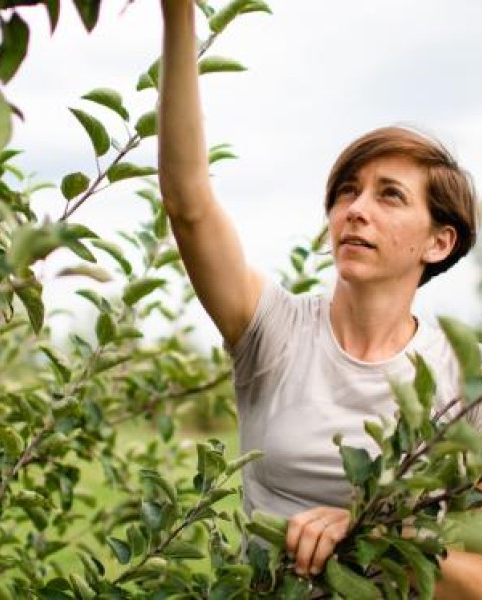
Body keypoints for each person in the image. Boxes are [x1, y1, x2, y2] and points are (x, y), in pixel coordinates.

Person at [158, 1, 482, 598]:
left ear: (439, 242)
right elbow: (188, 203)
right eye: (347, 192)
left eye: (390, 197)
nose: (355, 209)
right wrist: (177, 17)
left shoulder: (465, 380)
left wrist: (375, 535)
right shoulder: (274, 331)